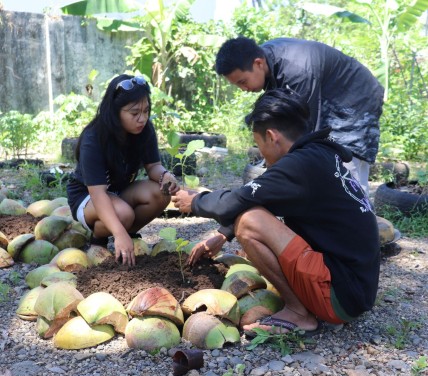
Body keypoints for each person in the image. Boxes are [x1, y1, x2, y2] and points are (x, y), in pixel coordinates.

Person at [172, 89, 380, 335]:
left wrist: (195, 202)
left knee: (248, 222)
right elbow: (263, 198)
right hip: (356, 289)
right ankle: (304, 303)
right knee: (250, 216)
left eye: (258, 144)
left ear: (271, 136)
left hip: (339, 297)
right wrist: (222, 235)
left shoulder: (297, 166)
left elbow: (239, 199)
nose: (260, 153)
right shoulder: (318, 154)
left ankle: (299, 313)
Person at [215, 36, 384, 196]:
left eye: (243, 82)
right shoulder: (268, 60)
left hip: (355, 100)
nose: (243, 89)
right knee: (319, 164)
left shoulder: (297, 71)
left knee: (346, 166)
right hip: (327, 95)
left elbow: (302, 128)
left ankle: (358, 218)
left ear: (258, 63)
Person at [67, 74, 179, 266]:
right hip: (87, 197)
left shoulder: (145, 130)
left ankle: (122, 232)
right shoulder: (94, 138)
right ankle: (100, 238)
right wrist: (119, 233)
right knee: (124, 214)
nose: (142, 118)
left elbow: (153, 166)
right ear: (115, 111)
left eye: (146, 111)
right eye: (134, 113)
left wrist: (165, 175)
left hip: (118, 193)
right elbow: (98, 193)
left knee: (160, 194)